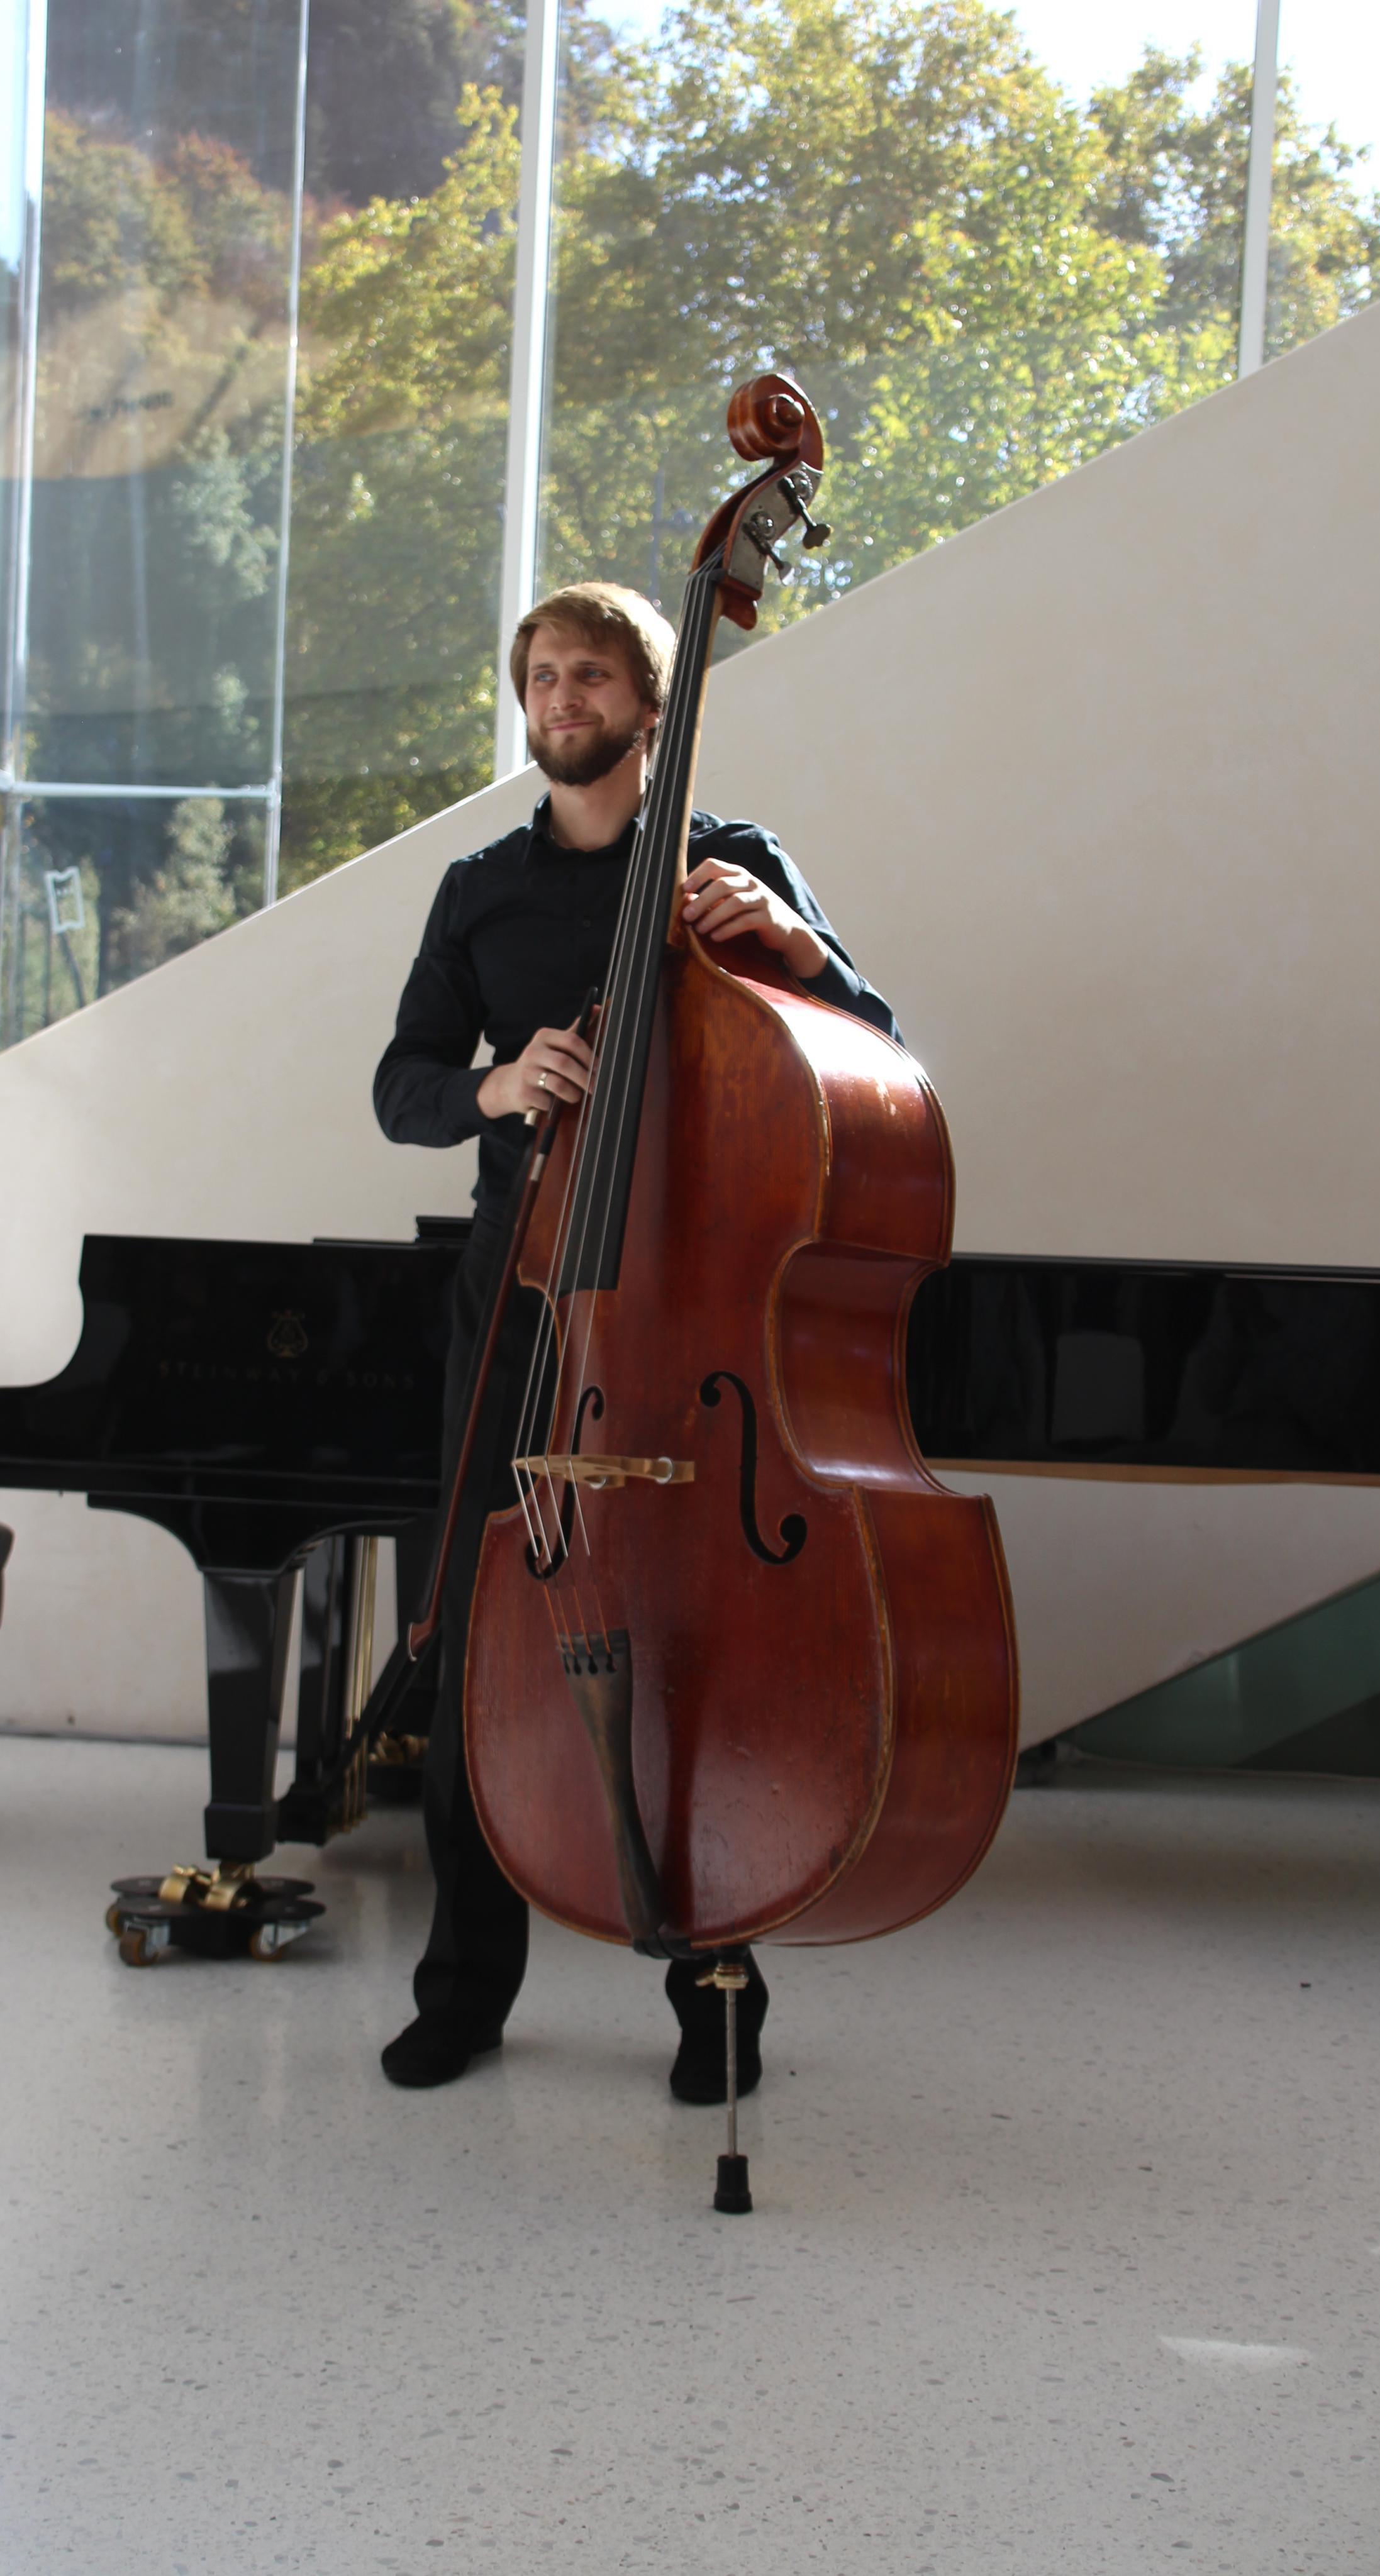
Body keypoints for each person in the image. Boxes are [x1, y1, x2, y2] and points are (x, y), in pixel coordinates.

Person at [372, 581, 898, 2094]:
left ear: (653, 708)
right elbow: (403, 1085)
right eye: (543, 673)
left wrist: (797, 948)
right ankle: (464, 1988)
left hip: (690, 1308)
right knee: (479, 1627)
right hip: (525, 1297)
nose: (561, 696)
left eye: (592, 674)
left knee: (697, 1633)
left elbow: (878, 1046)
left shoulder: (733, 865)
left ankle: (716, 1988)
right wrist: (495, 1085)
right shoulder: (479, 889)